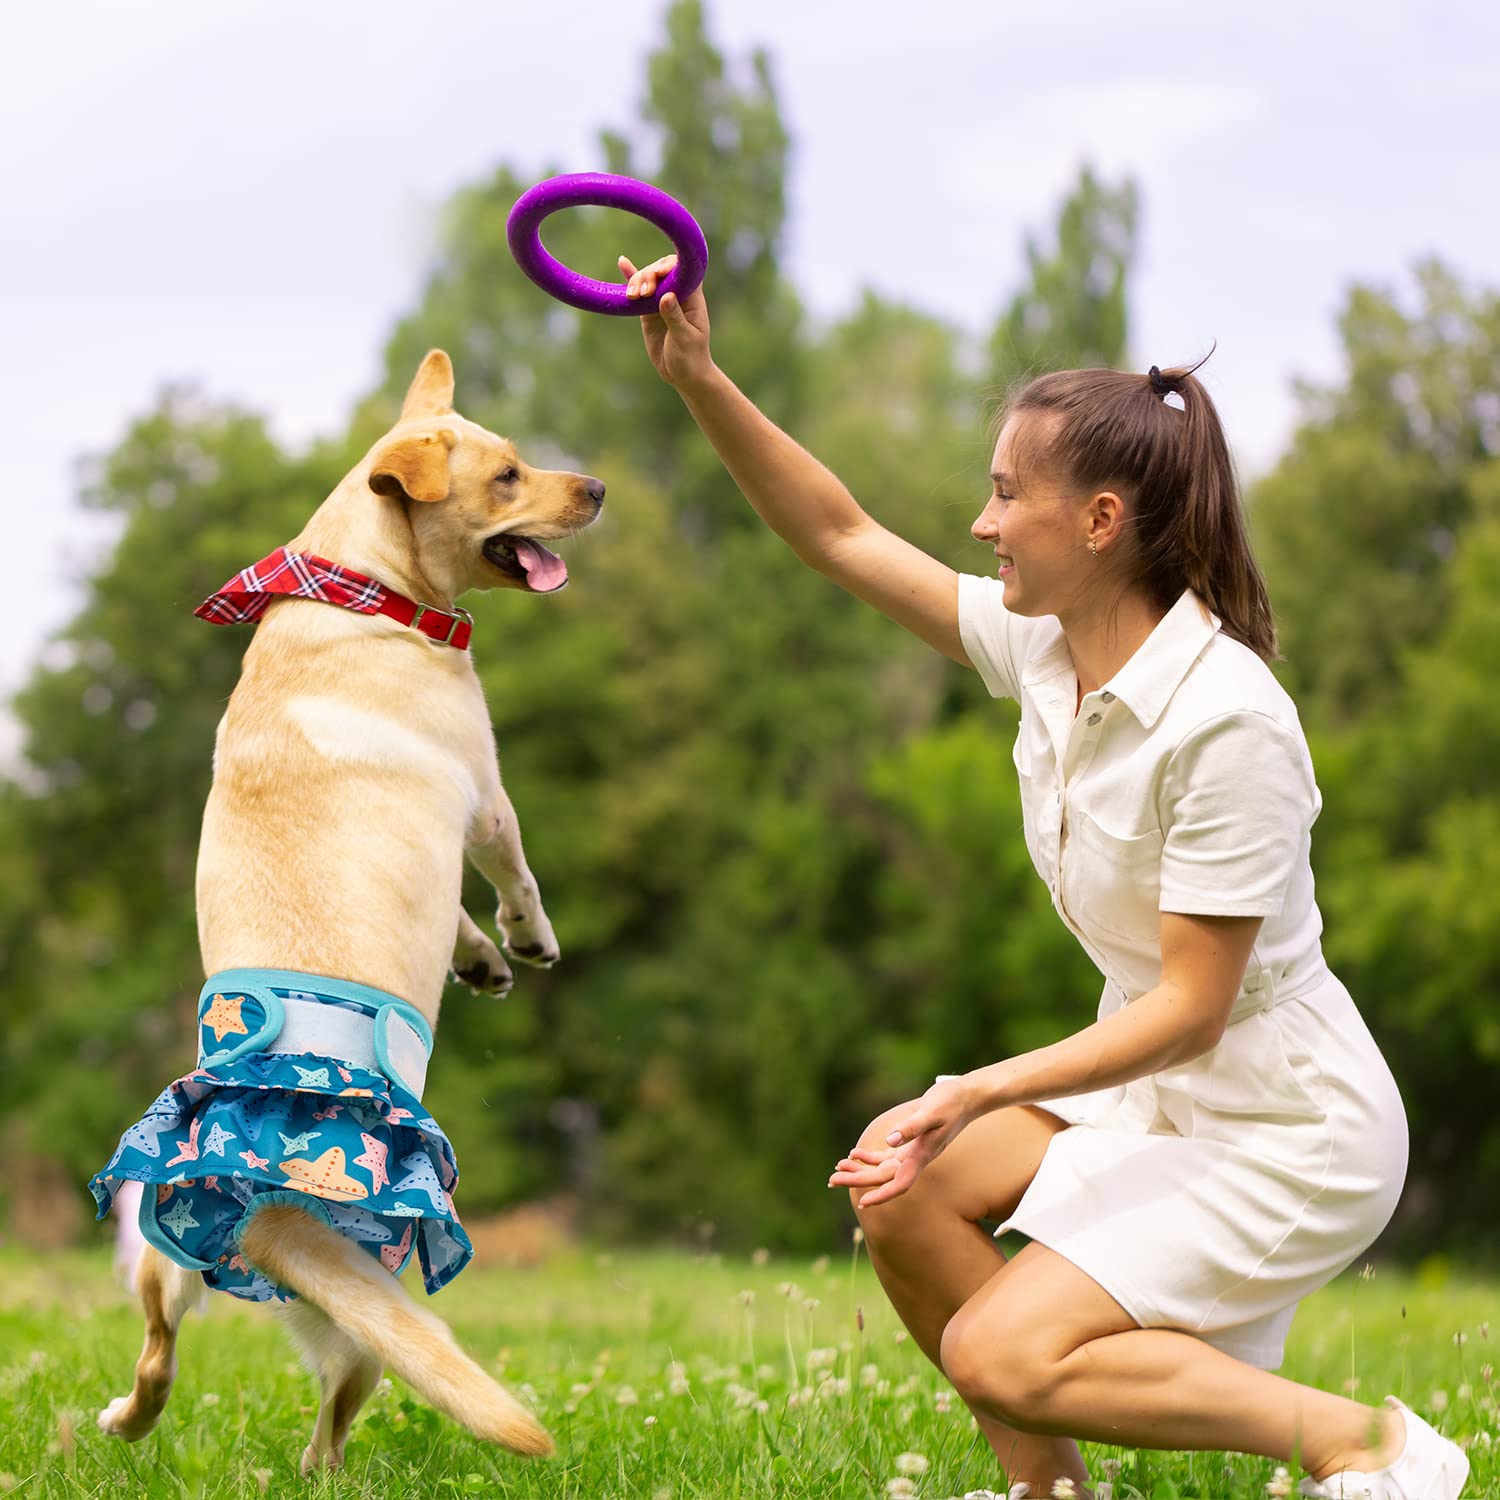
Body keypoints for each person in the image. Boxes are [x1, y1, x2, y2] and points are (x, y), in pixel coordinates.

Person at [616, 252, 1469, 1500]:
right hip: (1159, 1087)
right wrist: (698, 378)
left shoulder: (1227, 718)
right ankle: (1049, 1494)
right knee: (900, 1190)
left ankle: (1368, 1447)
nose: (982, 522)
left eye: (1007, 495)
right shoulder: (1044, 650)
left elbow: (1195, 1008)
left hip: (1291, 1126)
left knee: (996, 1350)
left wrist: (973, 1086)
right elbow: (841, 532)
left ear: (1101, 522)